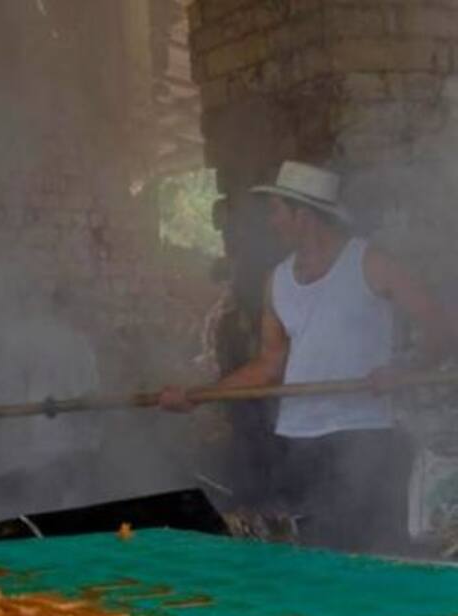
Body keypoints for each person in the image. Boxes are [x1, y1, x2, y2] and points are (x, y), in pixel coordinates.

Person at [159, 160, 456, 553]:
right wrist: (196, 396)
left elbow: (439, 322)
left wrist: (408, 367)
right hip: (298, 440)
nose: (273, 222)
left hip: (363, 435)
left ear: (304, 215)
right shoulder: (277, 280)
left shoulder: (369, 263)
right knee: (309, 556)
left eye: (278, 211)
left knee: (366, 556)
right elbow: (268, 366)